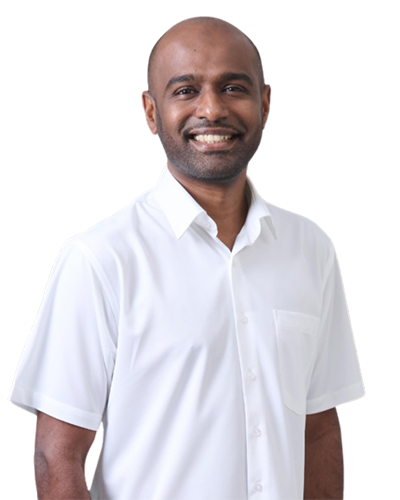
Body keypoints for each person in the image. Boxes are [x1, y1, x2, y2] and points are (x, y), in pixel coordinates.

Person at [8, 16, 365, 500]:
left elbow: (318, 430)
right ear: (151, 114)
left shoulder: (311, 249)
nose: (212, 109)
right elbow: (58, 457)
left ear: (265, 104)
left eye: (233, 87)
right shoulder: (99, 259)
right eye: (185, 91)